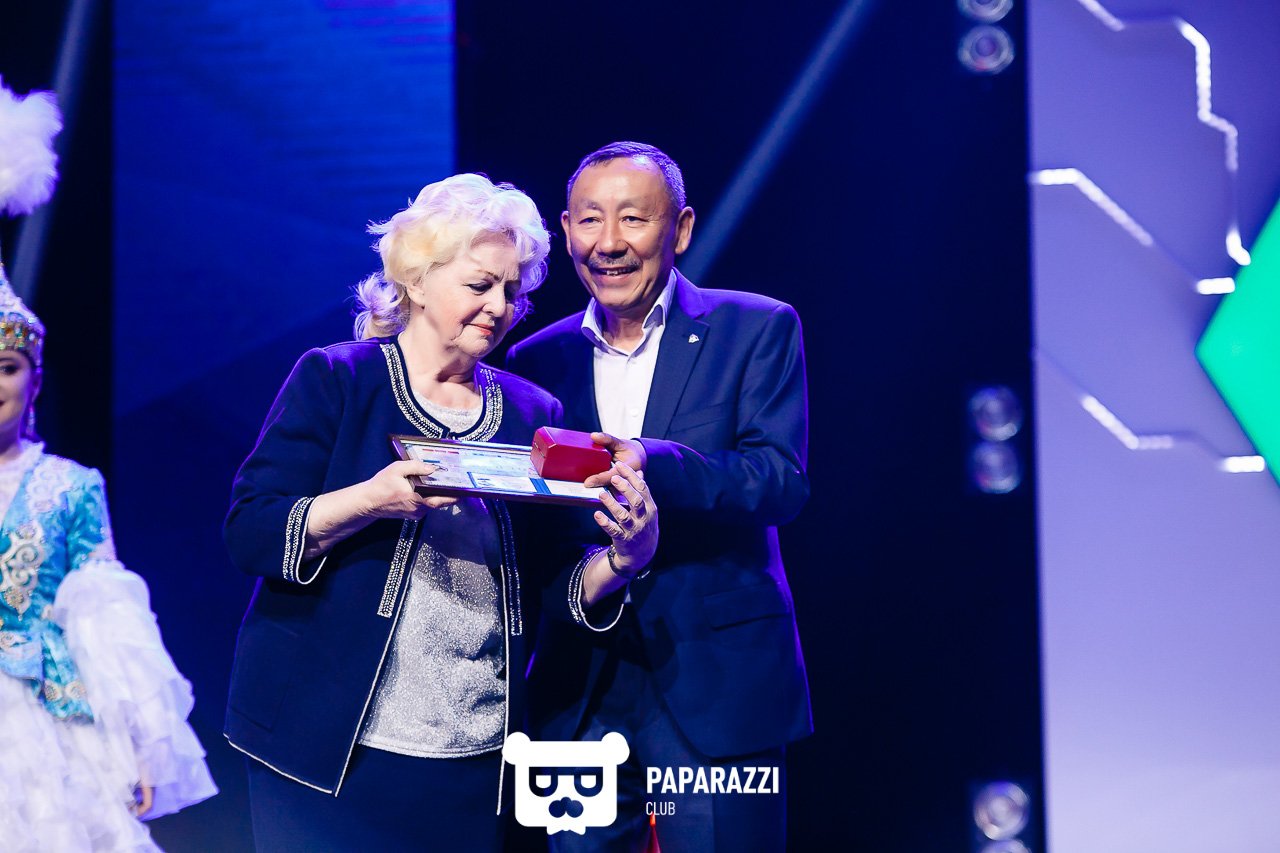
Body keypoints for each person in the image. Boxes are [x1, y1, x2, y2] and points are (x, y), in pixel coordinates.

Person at [223, 173, 659, 852]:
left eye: (512, 290)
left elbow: (555, 575)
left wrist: (625, 558)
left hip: (474, 753)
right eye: (480, 284)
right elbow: (251, 530)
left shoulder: (533, 410)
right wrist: (373, 500)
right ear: (418, 281)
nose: (500, 306)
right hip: (327, 747)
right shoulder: (339, 379)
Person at [506, 141, 811, 851]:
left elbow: (779, 480)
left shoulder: (756, 327)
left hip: (717, 680)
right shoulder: (534, 360)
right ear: (566, 230)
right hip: (579, 686)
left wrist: (654, 461)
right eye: (589, 220)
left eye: (633, 219)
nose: (608, 243)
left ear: (681, 229)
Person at [0, 273, 217, 851]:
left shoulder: (70, 487)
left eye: (6, 367)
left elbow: (107, 619)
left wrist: (140, 744)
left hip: (44, 716)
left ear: (34, 379)